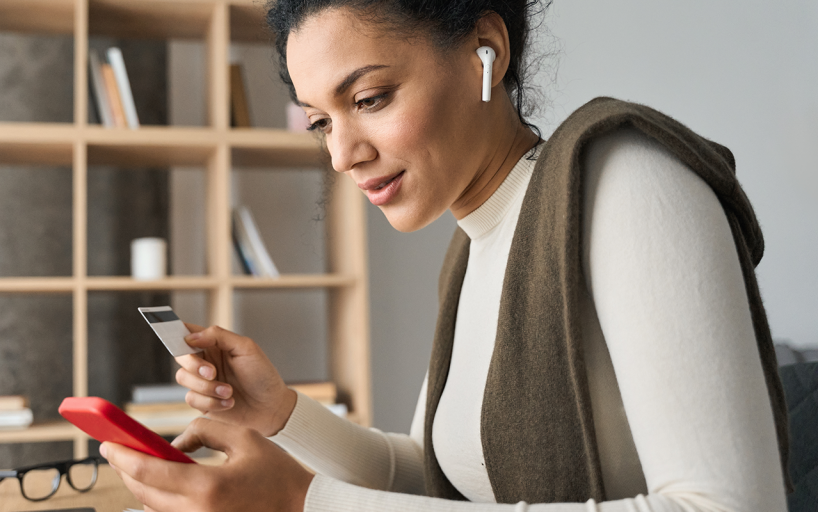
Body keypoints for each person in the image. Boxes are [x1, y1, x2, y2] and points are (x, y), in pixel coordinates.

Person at [99, 1, 791, 510]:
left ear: (484, 50)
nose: (341, 154)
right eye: (319, 122)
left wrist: (308, 504)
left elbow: (728, 507)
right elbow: (439, 479)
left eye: (369, 98)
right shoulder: (475, 248)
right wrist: (281, 415)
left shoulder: (625, 179)